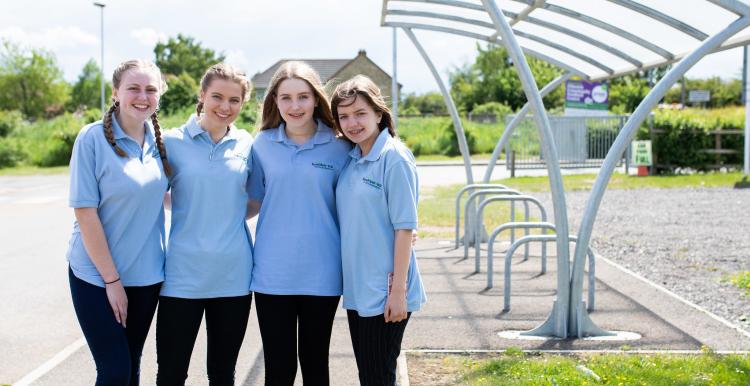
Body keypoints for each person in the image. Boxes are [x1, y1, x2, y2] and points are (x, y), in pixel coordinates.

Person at [67, 59, 170, 386]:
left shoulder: (161, 143)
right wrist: (112, 281)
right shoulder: (92, 138)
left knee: (131, 365)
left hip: (146, 276)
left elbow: (168, 198)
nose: (143, 96)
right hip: (96, 277)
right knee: (114, 371)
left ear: (159, 95)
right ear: (115, 94)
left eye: (151, 89)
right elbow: (85, 213)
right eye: (134, 88)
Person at [248, 61, 351, 385]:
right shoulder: (261, 145)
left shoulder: (340, 145)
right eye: (286, 98)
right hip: (272, 273)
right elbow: (251, 202)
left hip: (322, 271)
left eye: (303, 97)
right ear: (274, 101)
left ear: (316, 99)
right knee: (278, 368)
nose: (295, 106)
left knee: (315, 363)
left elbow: (357, 202)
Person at [155, 63, 255, 386]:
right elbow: (152, 193)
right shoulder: (171, 142)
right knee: (171, 374)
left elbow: (254, 201)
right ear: (202, 95)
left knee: (223, 375)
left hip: (233, 277)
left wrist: (223, 214)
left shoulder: (247, 146)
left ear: (243, 103)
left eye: (234, 100)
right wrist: (188, 207)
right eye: (217, 97)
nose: (225, 107)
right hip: (181, 276)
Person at [331, 75, 427, 386]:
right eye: (344, 116)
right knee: (372, 376)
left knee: (377, 378)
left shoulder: (393, 157)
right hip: (360, 289)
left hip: (386, 291)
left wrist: (398, 292)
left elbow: (405, 228)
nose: (352, 123)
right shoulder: (353, 159)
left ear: (378, 113)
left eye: (360, 113)